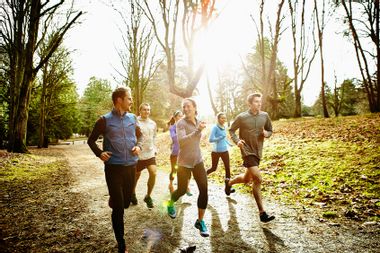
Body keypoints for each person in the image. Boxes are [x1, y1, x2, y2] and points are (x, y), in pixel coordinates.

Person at [87, 86, 142, 253]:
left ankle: (115, 199)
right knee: (119, 208)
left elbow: (140, 136)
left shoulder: (133, 118)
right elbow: (91, 141)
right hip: (113, 169)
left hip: (131, 166)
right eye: (129, 98)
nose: (132, 101)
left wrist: (138, 146)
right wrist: (100, 153)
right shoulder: (104, 120)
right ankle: (121, 243)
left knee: (125, 202)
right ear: (120, 100)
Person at [226, 93, 275, 223]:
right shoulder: (242, 117)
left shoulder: (265, 116)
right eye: (256, 102)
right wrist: (237, 141)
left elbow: (270, 130)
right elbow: (231, 130)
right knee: (257, 178)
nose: (259, 104)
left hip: (258, 151)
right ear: (250, 103)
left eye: (260, 101)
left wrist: (266, 133)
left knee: (246, 179)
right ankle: (262, 213)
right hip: (246, 151)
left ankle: (229, 183)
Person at [167, 98, 209, 237]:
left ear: (194, 107)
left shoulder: (198, 121)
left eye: (188, 106)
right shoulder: (180, 123)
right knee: (182, 190)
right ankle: (170, 203)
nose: (185, 109)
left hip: (197, 161)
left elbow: (198, 138)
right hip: (184, 163)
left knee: (204, 189)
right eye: (183, 107)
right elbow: (182, 142)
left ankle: (200, 221)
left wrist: (200, 130)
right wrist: (197, 131)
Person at [131, 103, 157, 208]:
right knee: (136, 176)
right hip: (138, 154)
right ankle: (132, 193)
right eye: (145, 110)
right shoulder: (135, 122)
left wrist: (155, 148)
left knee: (153, 173)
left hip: (150, 153)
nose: (147, 111)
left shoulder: (153, 123)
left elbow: (154, 137)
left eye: (148, 110)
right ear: (140, 111)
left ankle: (148, 196)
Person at [206, 112, 235, 195]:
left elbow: (224, 138)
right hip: (216, 152)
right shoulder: (215, 128)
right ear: (218, 119)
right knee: (214, 168)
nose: (224, 119)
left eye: (225, 118)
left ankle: (228, 188)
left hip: (225, 151)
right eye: (222, 118)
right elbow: (211, 139)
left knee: (227, 169)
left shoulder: (224, 127)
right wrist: (219, 138)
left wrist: (229, 143)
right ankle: (203, 176)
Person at [168, 110, 192, 196]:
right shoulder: (172, 127)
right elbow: (174, 138)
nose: (181, 118)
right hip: (175, 153)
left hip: (185, 153)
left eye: (182, 116)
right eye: (179, 116)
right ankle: (170, 185)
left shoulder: (185, 127)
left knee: (188, 171)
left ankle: (186, 187)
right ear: (175, 118)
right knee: (174, 171)